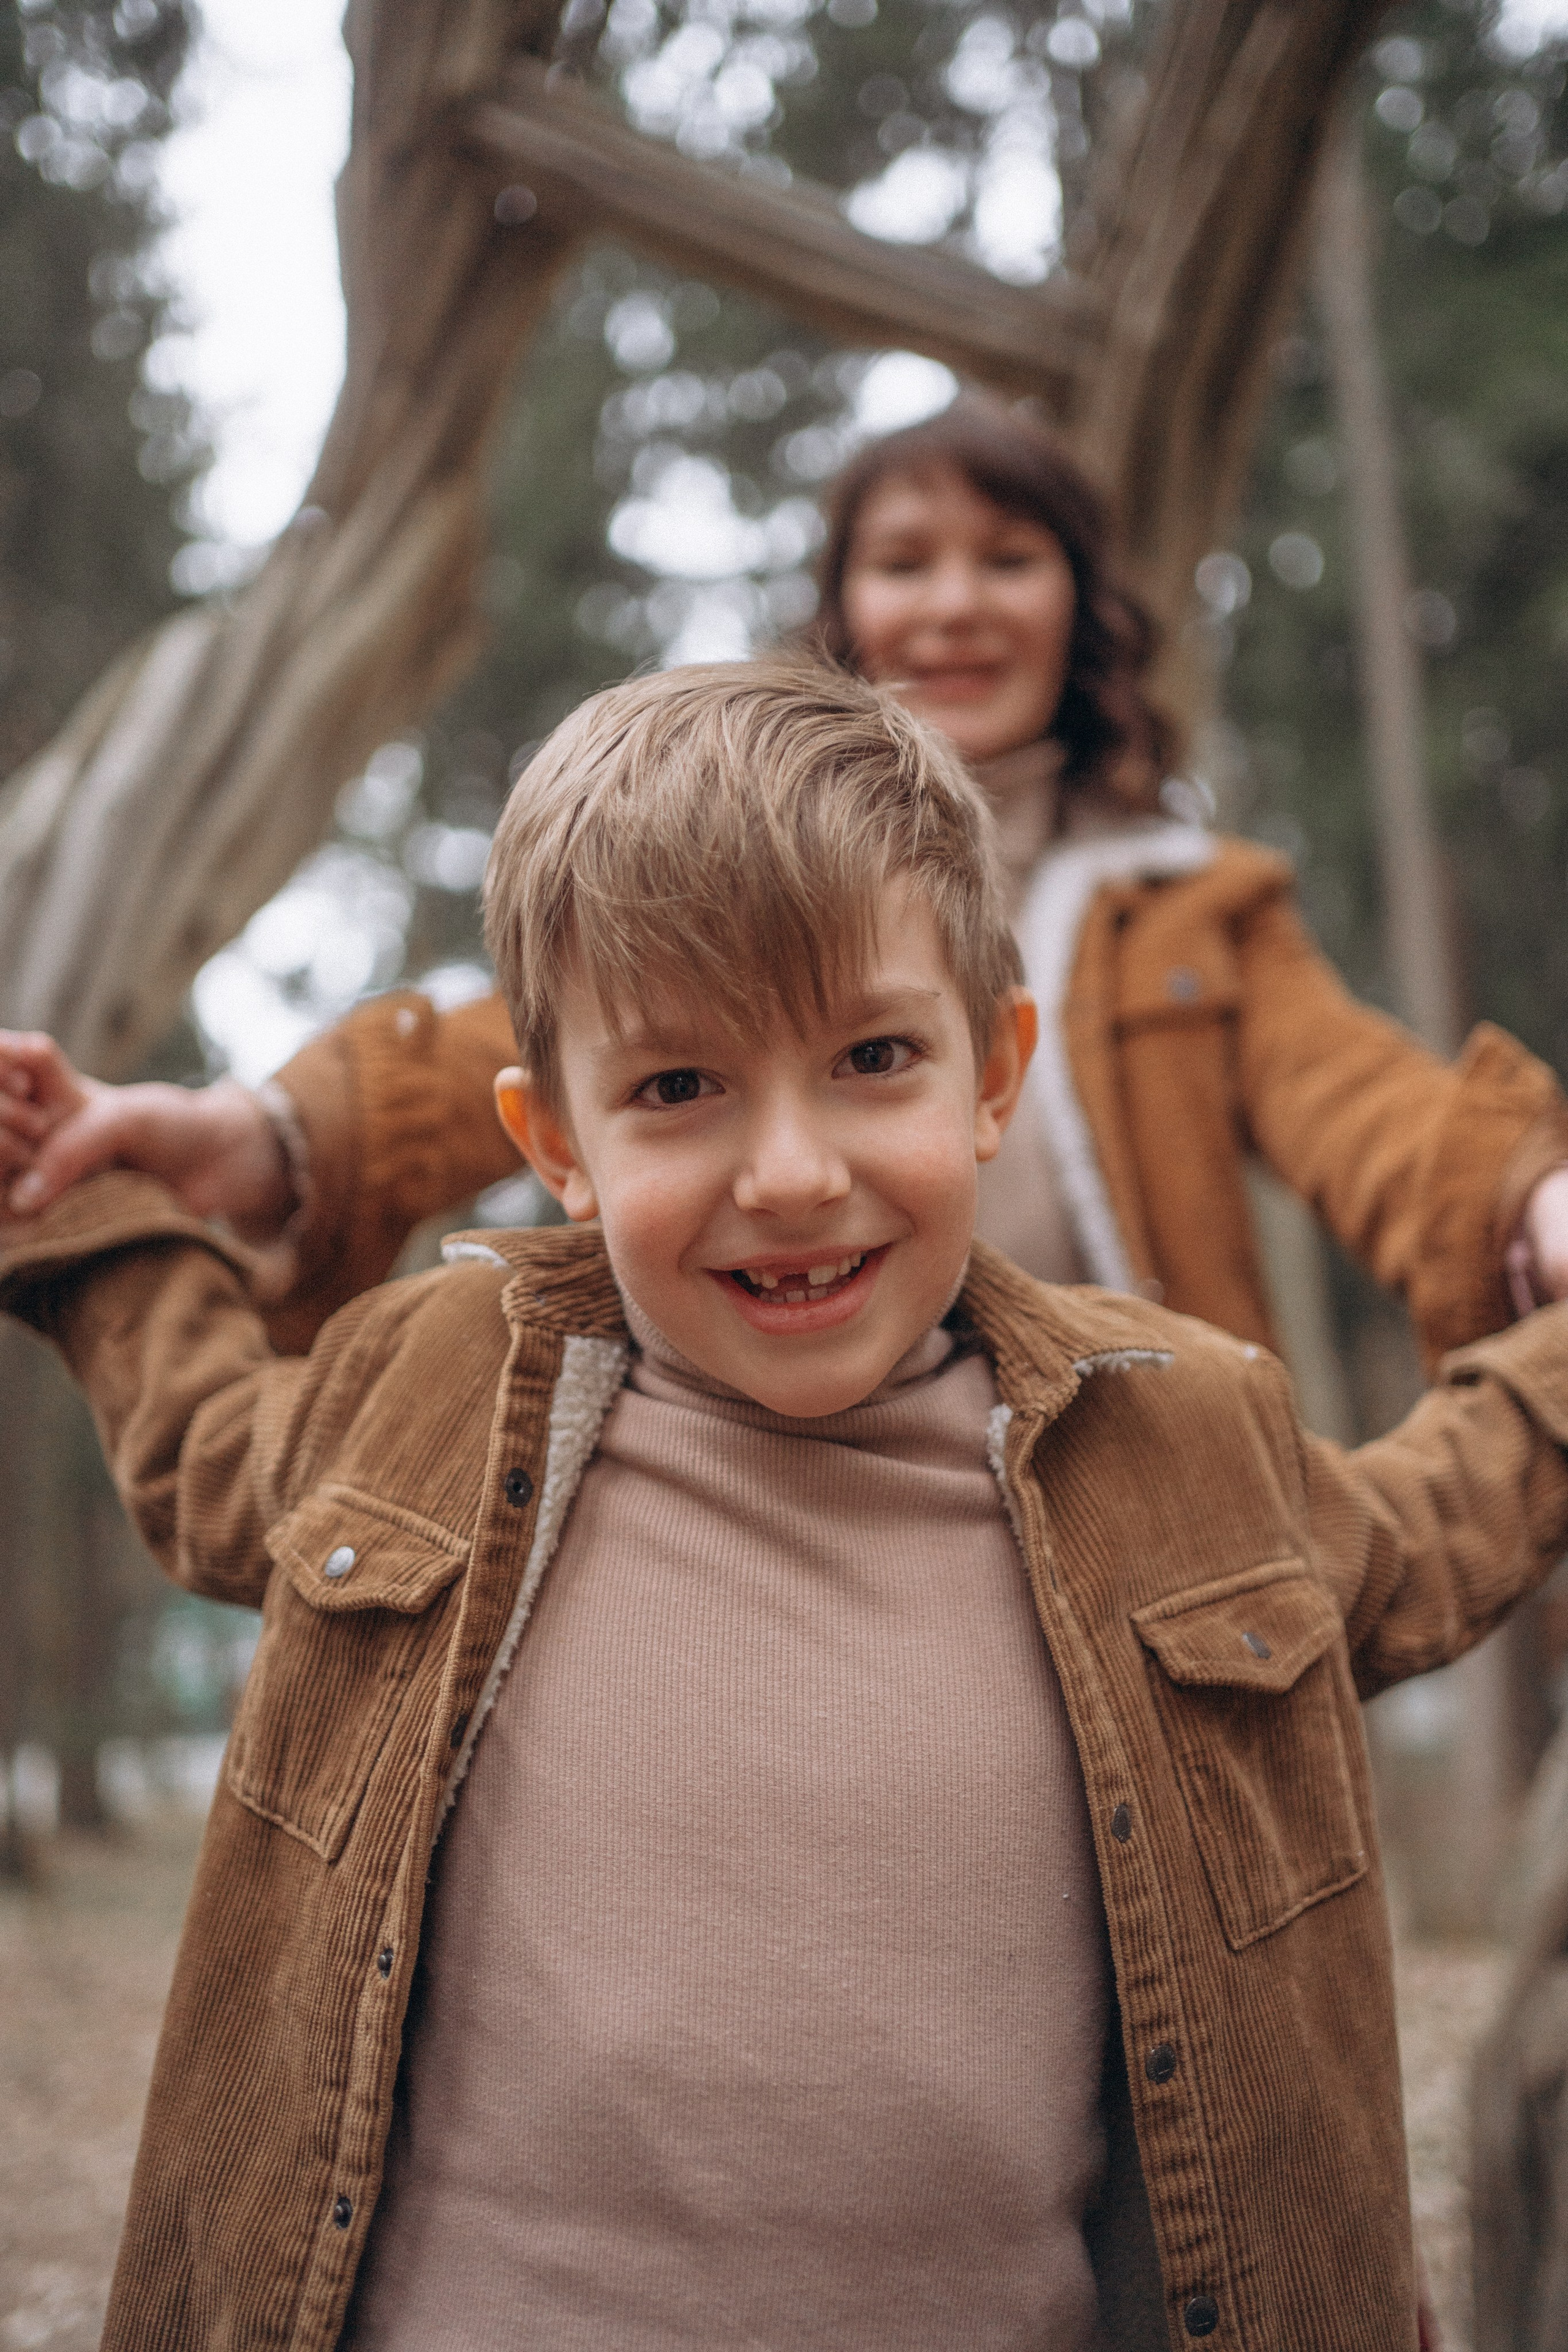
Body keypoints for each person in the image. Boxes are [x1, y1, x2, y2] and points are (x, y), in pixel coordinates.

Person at [6, 658, 1568, 2352]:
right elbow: (204, 1435)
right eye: (678, 1089)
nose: (792, 1174)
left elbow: (1429, 1528)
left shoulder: (1176, 1448)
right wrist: (81, 1220)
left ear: (993, 1072)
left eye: (871, 1057)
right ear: (558, 1142)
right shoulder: (425, 1395)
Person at [4, 398, 1567, 1367]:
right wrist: (256, 1135)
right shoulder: (744, 865)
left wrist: (1534, 1199)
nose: (953, 605)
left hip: (1128, 1497)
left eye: (1007, 558)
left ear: (1081, 604)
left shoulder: (1190, 905)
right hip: (791, 1471)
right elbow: (536, 1045)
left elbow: (1369, 1109)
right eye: (904, 561)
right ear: (840, 608)